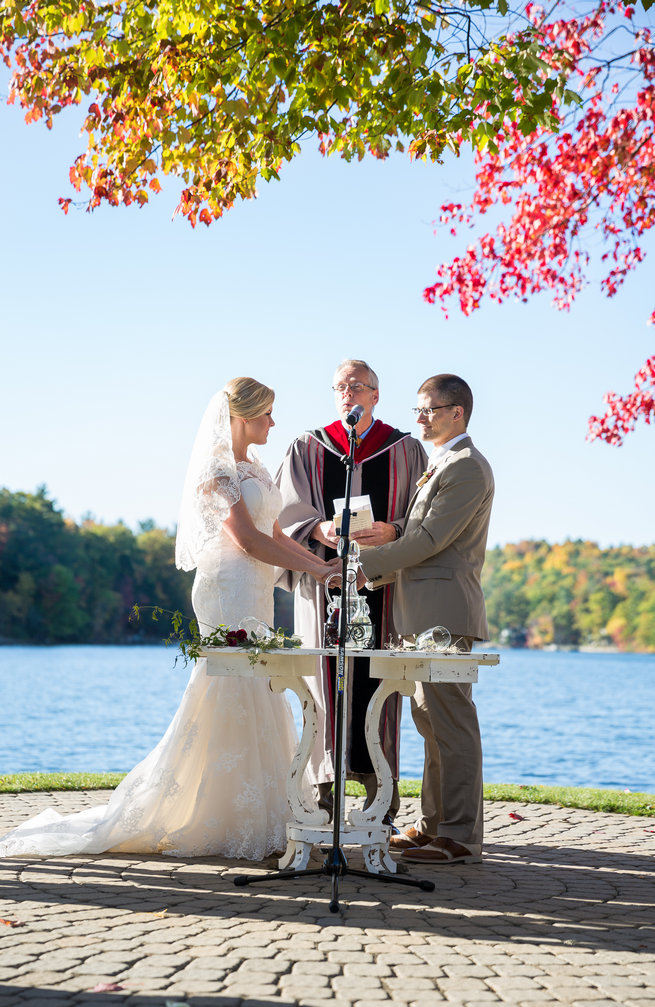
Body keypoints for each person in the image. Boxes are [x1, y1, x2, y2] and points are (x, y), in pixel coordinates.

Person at [0, 378, 333, 862]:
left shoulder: (256, 467)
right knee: (230, 685)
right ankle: (215, 813)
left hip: (257, 589)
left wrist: (321, 567)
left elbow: (277, 534)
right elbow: (248, 542)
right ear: (242, 416)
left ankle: (263, 810)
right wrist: (312, 568)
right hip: (227, 588)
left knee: (261, 688)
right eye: (266, 414)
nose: (273, 423)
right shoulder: (216, 472)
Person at [276, 359, 427, 821]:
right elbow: (285, 516)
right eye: (340, 385)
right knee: (322, 683)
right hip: (324, 581)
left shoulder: (405, 449)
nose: (348, 392)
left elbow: (424, 519)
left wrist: (394, 529)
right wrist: (316, 527)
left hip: (383, 586)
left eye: (358, 385)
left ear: (375, 396)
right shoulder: (308, 447)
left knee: (379, 679)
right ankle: (323, 792)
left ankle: (382, 793)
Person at [357, 374, 494, 865]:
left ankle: (459, 837)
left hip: (446, 616)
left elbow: (429, 541)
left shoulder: (467, 468)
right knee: (430, 723)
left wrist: (363, 568)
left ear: (457, 412)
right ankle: (434, 825)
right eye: (417, 410)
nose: (419, 419)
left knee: (453, 724)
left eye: (429, 409)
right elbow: (419, 539)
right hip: (421, 617)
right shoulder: (441, 465)